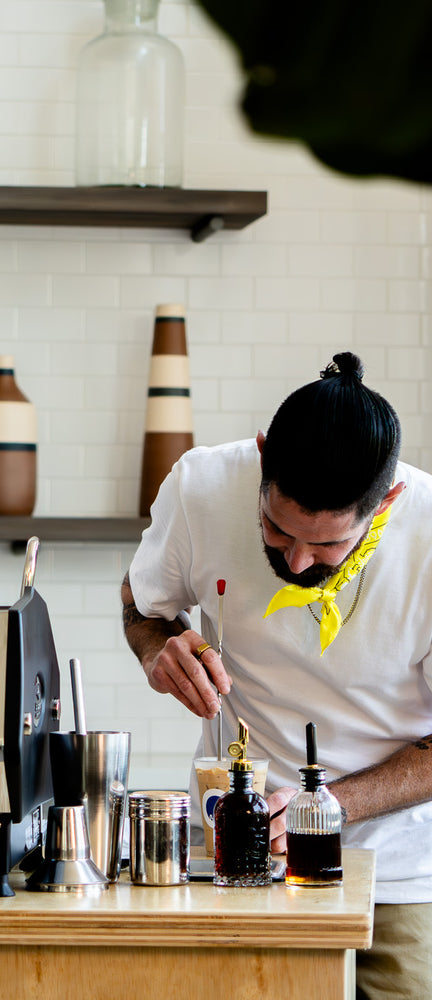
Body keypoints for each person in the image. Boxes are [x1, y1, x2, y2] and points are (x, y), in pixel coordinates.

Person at [121, 352, 432, 1000]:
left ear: (388, 502)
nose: (294, 560)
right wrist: (159, 650)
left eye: (324, 547)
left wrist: (328, 808)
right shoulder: (202, 485)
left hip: (400, 875)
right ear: (262, 456)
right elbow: (140, 600)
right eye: (275, 528)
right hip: (235, 866)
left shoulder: (429, 536)